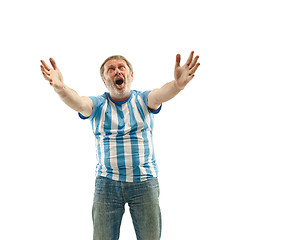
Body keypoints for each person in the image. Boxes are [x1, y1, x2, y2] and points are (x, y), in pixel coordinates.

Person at [40, 52, 200, 240]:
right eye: (111, 69)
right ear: (104, 80)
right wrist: (60, 88)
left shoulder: (143, 100)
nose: (117, 71)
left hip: (144, 181)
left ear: (131, 76)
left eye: (121, 67)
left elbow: (161, 93)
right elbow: (78, 102)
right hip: (107, 183)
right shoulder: (98, 104)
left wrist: (177, 85)